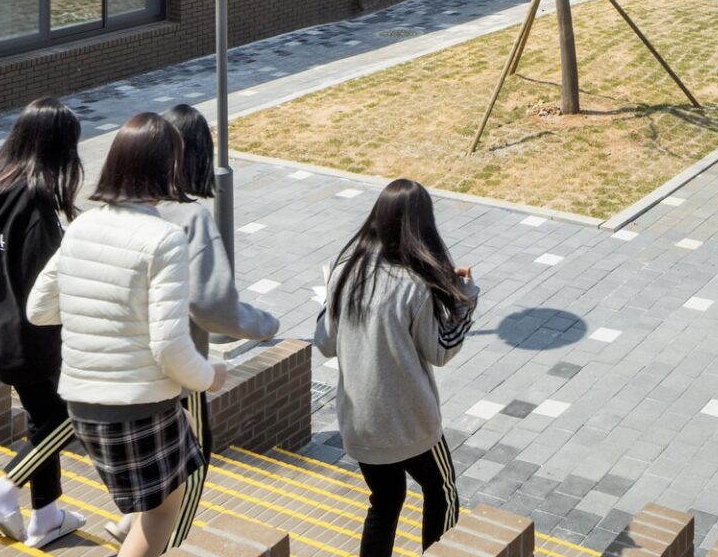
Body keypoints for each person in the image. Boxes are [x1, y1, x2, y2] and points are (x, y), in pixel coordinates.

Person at [28, 113, 226, 557]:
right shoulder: (164, 239)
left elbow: (39, 310)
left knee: (155, 505)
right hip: (139, 405)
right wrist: (210, 375)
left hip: (80, 400)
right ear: (168, 168)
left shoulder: (81, 226)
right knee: (160, 511)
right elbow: (170, 346)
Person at [139, 105, 280, 550]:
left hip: (124, 364)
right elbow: (212, 306)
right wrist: (264, 324)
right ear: (199, 155)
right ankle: (166, 545)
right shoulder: (190, 216)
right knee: (192, 466)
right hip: (178, 370)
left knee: (155, 467)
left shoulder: (125, 205)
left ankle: (131, 529)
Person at [315, 179, 479, 557]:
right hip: (410, 423)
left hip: (361, 426)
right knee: (443, 492)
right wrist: (464, 298)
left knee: (385, 502)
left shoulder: (343, 272)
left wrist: (330, 297)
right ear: (422, 227)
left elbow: (324, 343)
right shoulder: (416, 286)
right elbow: (440, 351)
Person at [0, 98, 87, 548]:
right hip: (31, 338)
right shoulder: (34, 202)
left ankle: (46, 517)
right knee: (73, 413)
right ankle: (4, 488)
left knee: (43, 417)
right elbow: (50, 283)